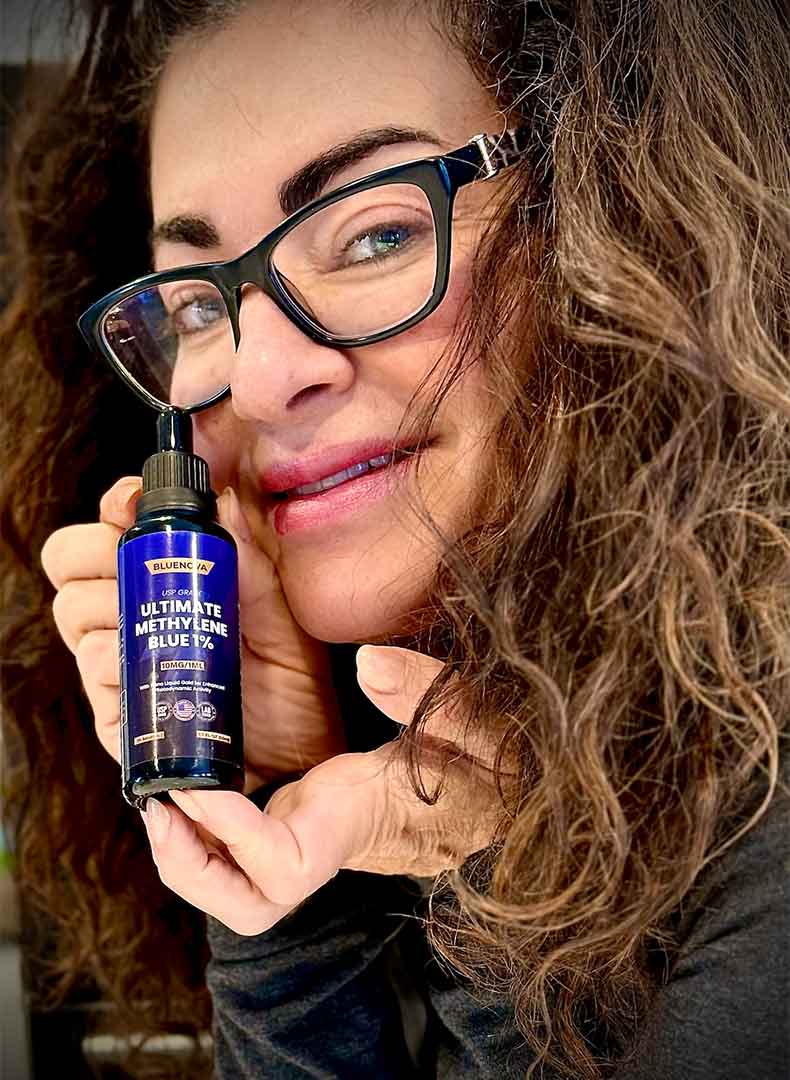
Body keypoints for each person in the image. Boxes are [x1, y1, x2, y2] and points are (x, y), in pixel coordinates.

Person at [2, 0, 788, 1076]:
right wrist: (271, 846)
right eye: (198, 307)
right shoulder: (409, 747)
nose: (262, 378)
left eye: (376, 235)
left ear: (634, 228)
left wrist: (511, 921)